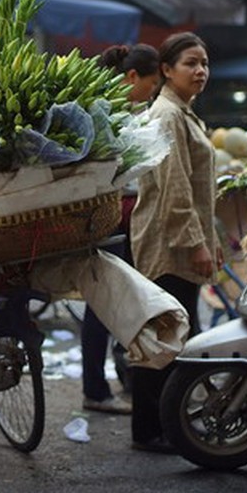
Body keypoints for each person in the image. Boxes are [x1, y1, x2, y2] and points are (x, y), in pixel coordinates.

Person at [127, 32, 217, 451]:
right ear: (166, 69)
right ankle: (149, 429)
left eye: (204, 64)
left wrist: (206, 240)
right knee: (163, 339)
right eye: (191, 64)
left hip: (178, 240)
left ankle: (165, 424)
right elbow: (175, 188)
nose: (200, 71)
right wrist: (195, 244)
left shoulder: (182, 112)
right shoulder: (167, 115)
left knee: (176, 335)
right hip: (167, 244)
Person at [79, 44, 160, 415]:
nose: (155, 90)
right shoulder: (105, 111)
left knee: (114, 302)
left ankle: (114, 379)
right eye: (153, 81)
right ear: (132, 77)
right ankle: (95, 390)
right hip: (106, 218)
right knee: (103, 304)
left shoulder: (128, 110)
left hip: (120, 217)